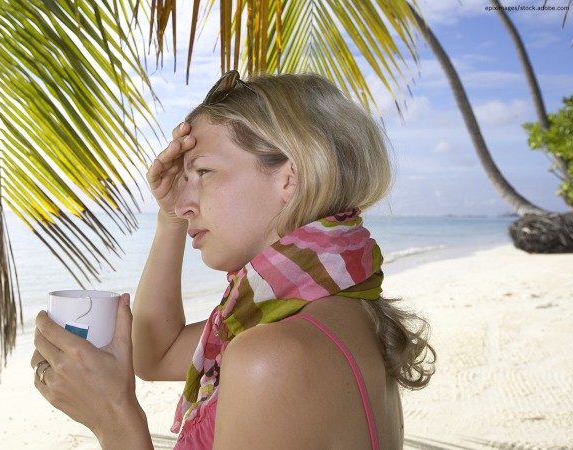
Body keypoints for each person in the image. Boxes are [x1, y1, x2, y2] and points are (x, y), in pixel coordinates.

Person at [31, 71, 436, 449]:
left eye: (203, 172)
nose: (186, 203)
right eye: (184, 179)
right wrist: (170, 215)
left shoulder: (272, 356)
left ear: (288, 178)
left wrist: (113, 420)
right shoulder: (335, 306)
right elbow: (155, 354)